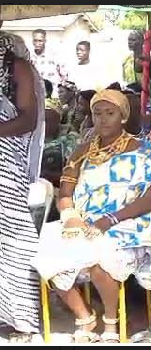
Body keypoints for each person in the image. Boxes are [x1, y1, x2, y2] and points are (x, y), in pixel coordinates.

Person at [33, 89, 151, 343]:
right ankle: (84, 316)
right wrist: (71, 216)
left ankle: (110, 324)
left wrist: (109, 220)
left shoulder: (144, 152)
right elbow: (65, 193)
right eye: (97, 113)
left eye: (110, 113)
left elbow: (150, 200)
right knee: (48, 249)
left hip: (130, 222)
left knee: (100, 255)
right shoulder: (81, 152)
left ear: (123, 116)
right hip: (85, 221)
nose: (103, 119)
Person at [0, 30, 46, 342]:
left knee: (15, 240)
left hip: (5, 164)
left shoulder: (15, 67)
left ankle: (24, 319)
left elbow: (28, 120)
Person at [42, 98, 79, 187]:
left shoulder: (70, 139)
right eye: (42, 119)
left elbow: (73, 172)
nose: (44, 123)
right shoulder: (30, 138)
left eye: (48, 120)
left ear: (58, 119)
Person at [31, 28, 67, 96]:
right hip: (35, 97)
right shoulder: (29, 57)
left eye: (40, 41)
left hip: (53, 97)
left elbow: (64, 76)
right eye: (35, 40)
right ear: (32, 41)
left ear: (45, 41)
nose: (37, 43)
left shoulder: (54, 56)